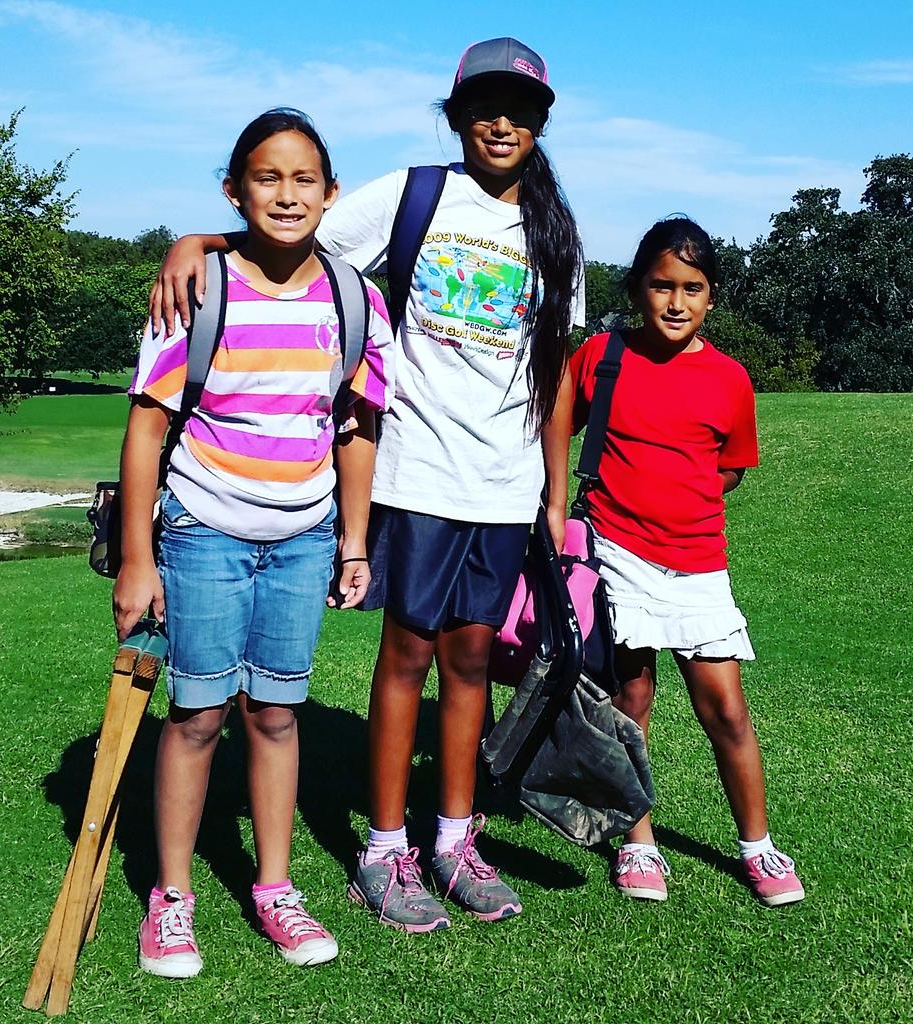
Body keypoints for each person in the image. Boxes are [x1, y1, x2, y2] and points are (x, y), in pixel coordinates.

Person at [150, 37, 583, 932]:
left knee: (472, 663)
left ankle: (455, 841)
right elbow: (291, 239)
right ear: (458, 113)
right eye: (485, 107)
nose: (502, 124)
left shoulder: (556, 227)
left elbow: (558, 369)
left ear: (543, 123)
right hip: (419, 471)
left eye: (523, 111)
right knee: (409, 656)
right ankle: (385, 853)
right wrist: (194, 241)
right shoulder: (413, 194)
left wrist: (552, 490)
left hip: (505, 489)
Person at [114, 108, 393, 977]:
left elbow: (354, 427)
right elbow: (146, 430)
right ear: (234, 191)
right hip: (202, 532)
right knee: (197, 717)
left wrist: (353, 542)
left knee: (275, 715)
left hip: (302, 537)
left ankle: (274, 889)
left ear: (331, 192)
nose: (286, 193)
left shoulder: (355, 300)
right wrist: (135, 559)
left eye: (304, 178)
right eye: (266, 177)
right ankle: (173, 898)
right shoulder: (197, 288)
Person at [564, 217, 805, 908]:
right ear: (637, 287)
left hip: (699, 560)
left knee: (725, 707)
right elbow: (557, 423)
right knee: (631, 699)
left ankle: (757, 847)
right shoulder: (601, 357)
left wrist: (680, 500)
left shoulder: (729, 378)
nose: (675, 302)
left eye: (691, 288)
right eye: (661, 285)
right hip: (616, 553)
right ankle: (638, 841)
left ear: (711, 297)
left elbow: (730, 470)